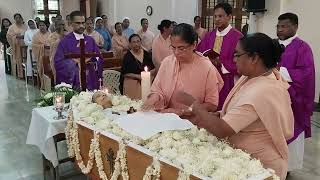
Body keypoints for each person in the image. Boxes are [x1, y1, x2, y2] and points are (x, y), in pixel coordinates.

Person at [177, 33, 294, 180]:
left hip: (260, 165)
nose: (234, 60)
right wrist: (218, 115)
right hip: (246, 157)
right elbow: (243, 113)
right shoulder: (255, 76)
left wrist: (194, 104)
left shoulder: (262, 91)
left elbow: (222, 130)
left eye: (237, 55)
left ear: (254, 58)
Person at [144, 23, 223, 118]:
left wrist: (185, 111)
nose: (176, 53)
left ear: (194, 45)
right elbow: (157, 90)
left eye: (181, 48)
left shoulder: (206, 67)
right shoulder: (167, 62)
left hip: (193, 120)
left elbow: (212, 104)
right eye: (173, 47)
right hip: (167, 118)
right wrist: (153, 98)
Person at [276, 13, 315, 171]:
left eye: (284, 26)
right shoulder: (272, 44)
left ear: (295, 27)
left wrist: (280, 71)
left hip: (294, 98)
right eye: (278, 26)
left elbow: (306, 73)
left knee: (292, 131)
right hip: (274, 96)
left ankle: (289, 168)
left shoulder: (302, 47)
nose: (280, 30)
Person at [197, 2, 243, 110]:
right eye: (215, 16)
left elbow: (242, 60)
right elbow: (199, 52)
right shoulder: (209, 35)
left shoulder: (237, 36)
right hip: (208, 77)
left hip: (228, 79)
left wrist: (221, 63)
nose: (217, 19)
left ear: (229, 17)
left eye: (220, 16)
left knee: (224, 109)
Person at [54, 11, 103, 91]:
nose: (81, 26)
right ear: (71, 23)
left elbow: (99, 57)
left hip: (89, 79)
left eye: (83, 23)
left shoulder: (90, 40)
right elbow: (58, 62)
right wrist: (74, 63)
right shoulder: (65, 42)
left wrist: (93, 61)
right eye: (78, 23)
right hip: (74, 82)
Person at [120, 34, 155, 99]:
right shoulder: (127, 56)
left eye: (138, 41)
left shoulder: (146, 54)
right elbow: (125, 73)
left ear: (140, 42)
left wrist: (147, 75)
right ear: (130, 44)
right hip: (132, 80)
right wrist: (138, 76)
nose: (136, 44)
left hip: (147, 79)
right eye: (134, 42)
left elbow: (154, 68)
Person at [6, 13, 27, 78]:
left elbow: (28, 33)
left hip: (25, 46)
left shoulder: (25, 26)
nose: (18, 19)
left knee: (26, 59)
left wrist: (24, 36)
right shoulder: (12, 27)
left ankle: (27, 74)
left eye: (19, 17)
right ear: (14, 19)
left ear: (21, 18)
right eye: (16, 18)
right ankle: (20, 75)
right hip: (17, 46)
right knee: (19, 60)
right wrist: (16, 37)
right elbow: (8, 36)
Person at [32, 20, 51, 89]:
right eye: (40, 25)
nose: (41, 27)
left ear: (46, 26)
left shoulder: (50, 35)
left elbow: (53, 44)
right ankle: (43, 84)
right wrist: (43, 46)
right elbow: (34, 45)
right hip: (40, 56)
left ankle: (50, 84)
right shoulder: (35, 36)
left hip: (50, 56)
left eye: (43, 25)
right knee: (42, 68)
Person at [48, 20, 67, 84]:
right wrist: (61, 36)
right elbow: (53, 45)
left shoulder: (67, 34)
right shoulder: (52, 36)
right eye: (60, 25)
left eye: (63, 25)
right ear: (55, 26)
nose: (61, 26)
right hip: (55, 58)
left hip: (67, 58)